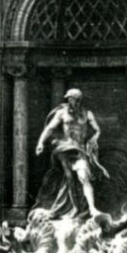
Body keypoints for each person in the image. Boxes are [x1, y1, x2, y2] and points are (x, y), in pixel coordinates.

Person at [35, 88, 106, 219]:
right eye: (68, 99)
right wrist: (40, 143)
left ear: (78, 99)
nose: (69, 101)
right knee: (69, 177)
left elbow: (97, 130)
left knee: (83, 175)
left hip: (80, 149)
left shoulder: (87, 114)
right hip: (65, 148)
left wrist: (94, 138)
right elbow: (50, 128)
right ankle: (72, 208)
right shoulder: (61, 113)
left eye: (72, 98)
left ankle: (91, 208)